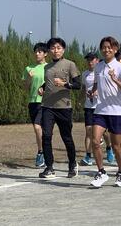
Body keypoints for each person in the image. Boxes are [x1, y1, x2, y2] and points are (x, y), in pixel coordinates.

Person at [90, 36, 121, 188]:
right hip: (101, 109)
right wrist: (93, 92)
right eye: (104, 47)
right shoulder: (99, 66)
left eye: (109, 47)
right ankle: (101, 172)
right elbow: (96, 83)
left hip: (116, 112)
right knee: (95, 141)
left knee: (117, 146)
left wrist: (115, 80)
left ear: (115, 49)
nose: (106, 49)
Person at [38, 37, 81, 178]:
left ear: (63, 49)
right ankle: (49, 167)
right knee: (46, 136)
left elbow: (77, 85)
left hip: (64, 107)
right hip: (47, 106)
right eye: (52, 48)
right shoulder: (47, 67)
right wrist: (42, 87)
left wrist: (65, 84)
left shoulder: (70, 65)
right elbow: (48, 83)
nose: (55, 51)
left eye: (58, 48)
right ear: (49, 51)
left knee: (66, 137)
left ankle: (72, 164)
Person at [22, 42, 48, 167]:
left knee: (39, 128)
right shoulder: (29, 68)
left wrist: (45, 89)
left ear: (45, 54)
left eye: (40, 52)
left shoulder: (50, 67)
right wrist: (29, 78)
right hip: (32, 102)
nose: (37, 54)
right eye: (36, 51)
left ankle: (41, 152)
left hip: (46, 103)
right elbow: (25, 87)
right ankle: (42, 151)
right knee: (38, 129)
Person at [80, 52, 99, 166]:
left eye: (92, 59)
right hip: (88, 106)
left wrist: (96, 92)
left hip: (100, 106)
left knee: (103, 133)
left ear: (97, 60)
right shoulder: (85, 74)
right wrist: (80, 99)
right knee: (88, 131)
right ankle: (88, 156)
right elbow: (83, 88)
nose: (90, 62)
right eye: (88, 60)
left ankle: (108, 147)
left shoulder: (100, 73)